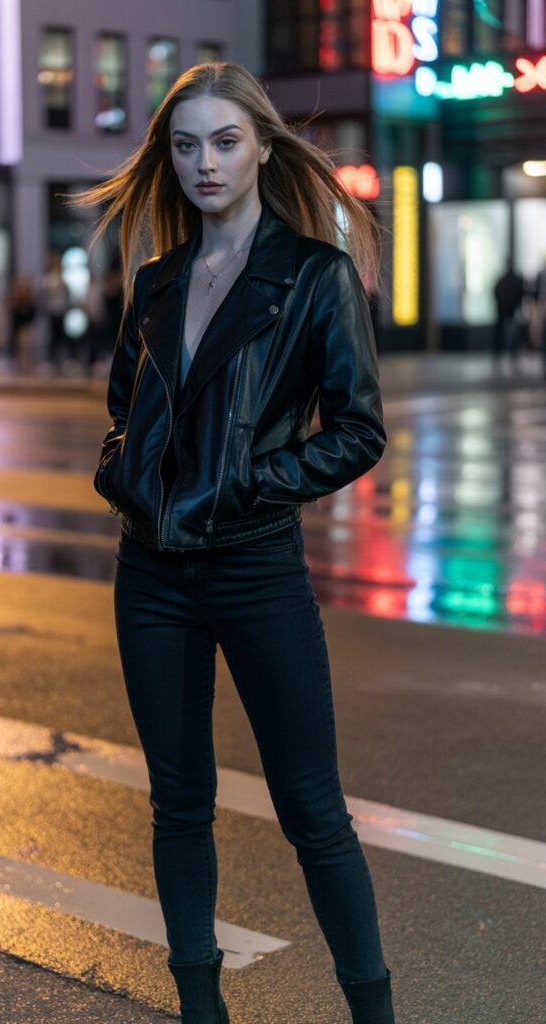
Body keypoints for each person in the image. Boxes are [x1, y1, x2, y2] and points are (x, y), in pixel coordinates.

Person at [74, 62, 394, 1024]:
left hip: (256, 566)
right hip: (152, 574)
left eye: (223, 141)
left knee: (313, 813)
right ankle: (201, 1010)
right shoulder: (157, 281)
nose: (204, 163)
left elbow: (357, 430)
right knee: (178, 804)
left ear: (261, 146)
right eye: (185, 146)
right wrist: (124, 476)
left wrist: (251, 483)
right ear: (168, 160)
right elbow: (124, 410)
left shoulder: (313, 277)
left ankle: (373, 1012)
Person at [492, 260, 525, 362]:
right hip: (510, 310)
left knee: (505, 333)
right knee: (509, 333)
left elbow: (496, 293)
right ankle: (509, 351)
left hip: (505, 311)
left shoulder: (502, 281)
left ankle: (502, 351)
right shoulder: (514, 280)